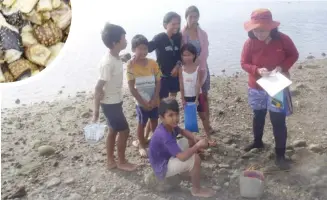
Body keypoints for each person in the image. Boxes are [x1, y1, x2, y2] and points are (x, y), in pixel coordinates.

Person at [241, 9, 299, 169]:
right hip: (256, 87)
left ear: (271, 27)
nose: (259, 33)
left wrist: (282, 67)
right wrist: (256, 70)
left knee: (277, 119)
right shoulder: (249, 43)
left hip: (276, 86)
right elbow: (244, 63)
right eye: (256, 30)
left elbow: (294, 55)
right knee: (258, 114)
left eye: (263, 30)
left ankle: (280, 155)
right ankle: (257, 142)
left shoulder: (283, 40)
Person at [148, 98, 216, 198]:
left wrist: (196, 138)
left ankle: (190, 171)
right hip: (162, 167)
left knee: (188, 141)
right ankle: (196, 190)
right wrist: (197, 145)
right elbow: (182, 157)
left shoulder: (169, 125)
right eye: (170, 115)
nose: (175, 118)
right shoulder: (164, 134)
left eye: (176, 114)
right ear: (162, 118)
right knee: (195, 159)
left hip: (167, 156)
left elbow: (183, 131)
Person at [92, 23, 137, 171]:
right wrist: (95, 113)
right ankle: (122, 161)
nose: (126, 41)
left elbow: (117, 61)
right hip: (110, 104)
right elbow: (98, 87)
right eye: (124, 38)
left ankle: (110, 161)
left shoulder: (115, 57)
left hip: (115, 101)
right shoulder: (108, 63)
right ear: (115, 42)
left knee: (112, 130)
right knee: (124, 131)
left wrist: (125, 57)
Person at [127, 34, 161, 157]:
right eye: (140, 48)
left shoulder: (153, 63)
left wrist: (155, 98)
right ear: (133, 50)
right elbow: (131, 87)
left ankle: (155, 143)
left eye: (145, 48)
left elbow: (158, 82)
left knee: (154, 122)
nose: (143, 51)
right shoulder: (131, 66)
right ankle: (141, 145)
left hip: (154, 100)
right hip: (141, 102)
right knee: (141, 123)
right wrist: (143, 102)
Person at [181, 6, 213, 133]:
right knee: (189, 95)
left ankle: (207, 124)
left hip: (202, 68)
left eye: (196, 16)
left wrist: (198, 62)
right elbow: (181, 51)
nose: (193, 19)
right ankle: (191, 124)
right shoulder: (182, 34)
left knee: (204, 96)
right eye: (191, 16)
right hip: (188, 71)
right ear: (186, 18)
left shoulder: (203, 33)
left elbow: (205, 51)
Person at [179, 43, 214, 144]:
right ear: (181, 56)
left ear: (194, 55)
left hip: (198, 96)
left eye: (189, 55)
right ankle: (191, 140)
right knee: (189, 120)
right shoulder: (181, 69)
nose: (187, 57)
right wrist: (183, 99)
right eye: (184, 55)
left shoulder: (198, 68)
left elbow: (198, 84)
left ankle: (209, 136)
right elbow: (181, 85)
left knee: (203, 116)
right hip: (187, 97)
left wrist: (197, 99)